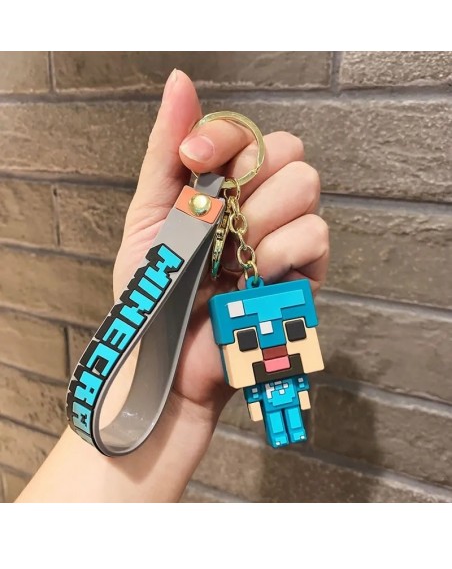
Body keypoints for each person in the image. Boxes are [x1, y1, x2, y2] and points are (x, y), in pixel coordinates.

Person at [17, 70, 329, 503]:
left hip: (193, 371)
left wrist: (177, 398)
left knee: (284, 408)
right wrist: (163, 377)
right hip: (160, 372)